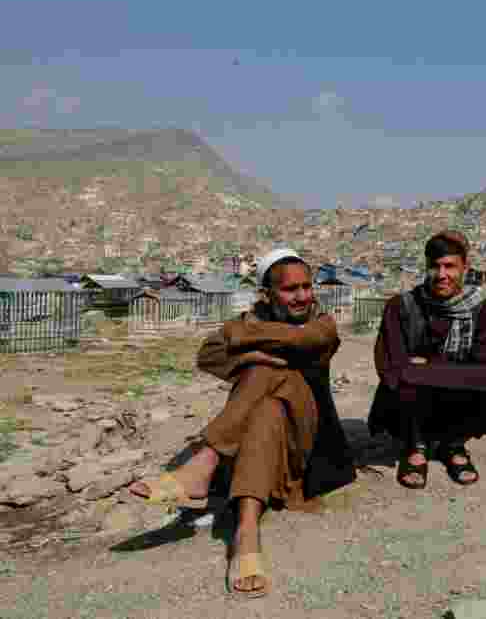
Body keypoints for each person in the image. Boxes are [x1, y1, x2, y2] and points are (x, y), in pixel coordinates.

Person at [127, 248, 356, 598]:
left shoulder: (321, 323)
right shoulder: (253, 321)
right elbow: (207, 355)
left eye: (307, 287)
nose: (302, 296)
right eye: (290, 289)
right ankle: (247, 533)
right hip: (270, 430)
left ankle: (202, 464)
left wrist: (245, 342)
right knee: (265, 408)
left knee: (265, 370)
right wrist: (253, 352)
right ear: (267, 294)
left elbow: (303, 339)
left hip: (311, 441)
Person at [368, 230, 486, 489]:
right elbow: (391, 365)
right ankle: (415, 445)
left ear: (464, 267)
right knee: (406, 378)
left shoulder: (480, 308)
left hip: (457, 394)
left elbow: (483, 364)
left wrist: (428, 366)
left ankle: (453, 443)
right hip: (410, 399)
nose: (441, 274)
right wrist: (443, 370)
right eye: (435, 266)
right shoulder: (402, 306)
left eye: (450, 266)